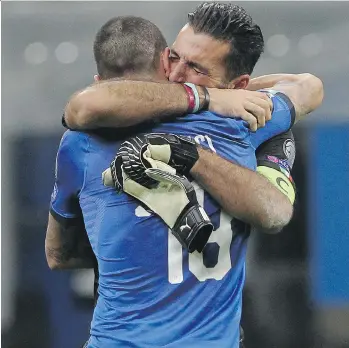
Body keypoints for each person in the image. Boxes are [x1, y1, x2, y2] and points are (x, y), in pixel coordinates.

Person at [46, 6, 321, 348]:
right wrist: (213, 95)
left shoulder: (83, 142)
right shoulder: (237, 125)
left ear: (239, 85)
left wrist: (128, 246)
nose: (175, 74)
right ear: (163, 56)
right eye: (174, 58)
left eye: (195, 68)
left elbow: (58, 254)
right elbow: (306, 86)